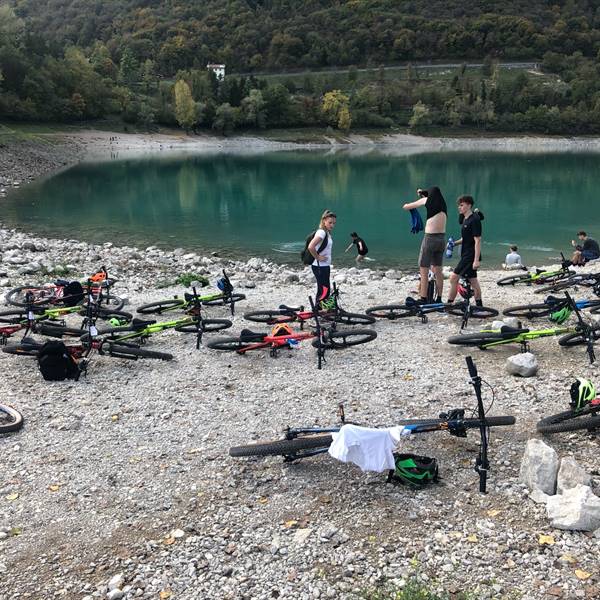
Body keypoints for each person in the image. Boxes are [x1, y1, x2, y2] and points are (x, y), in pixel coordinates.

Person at [402, 186, 447, 303]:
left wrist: (411, 203)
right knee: (438, 271)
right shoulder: (443, 205)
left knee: (424, 269)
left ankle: (423, 298)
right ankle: (439, 298)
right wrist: (421, 193)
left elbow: (406, 207)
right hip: (442, 239)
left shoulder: (426, 200)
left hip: (430, 239)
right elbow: (428, 196)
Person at [447, 195, 483, 306]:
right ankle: (479, 306)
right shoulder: (465, 220)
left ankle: (449, 305)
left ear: (469, 205)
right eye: (459, 205)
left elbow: (477, 240)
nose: (459, 207)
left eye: (462, 205)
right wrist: (454, 244)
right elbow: (465, 239)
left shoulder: (475, 220)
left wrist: (476, 260)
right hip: (466, 254)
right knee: (473, 281)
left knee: (453, 278)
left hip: (470, 255)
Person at [307, 209, 336, 309]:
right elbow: (311, 246)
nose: (332, 225)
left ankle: (319, 310)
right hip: (319, 266)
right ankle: (318, 310)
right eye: (330, 222)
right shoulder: (321, 233)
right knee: (324, 290)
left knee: (323, 289)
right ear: (324, 221)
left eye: (334, 223)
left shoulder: (326, 233)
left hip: (324, 266)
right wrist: (318, 257)